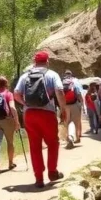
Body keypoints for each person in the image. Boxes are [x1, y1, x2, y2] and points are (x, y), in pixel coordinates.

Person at [14, 51, 68, 188]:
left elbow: (15, 94)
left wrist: (25, 103)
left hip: (30, 115)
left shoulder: (25, 76)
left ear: (34, 62)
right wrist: (63, 109)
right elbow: (60, 91)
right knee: (53, 143)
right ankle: (52, 172)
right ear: (47, 62)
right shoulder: (52, 74)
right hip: (47, 114)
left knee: (35, 146)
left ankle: (39, 178)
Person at [61, 70, 85, 147]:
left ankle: (69, 137)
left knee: (67, 122)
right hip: (74, 104)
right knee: (75, 122)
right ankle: (75, 137)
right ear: (71, 75)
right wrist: (82, 102)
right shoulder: (74, 82)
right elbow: (78, 93)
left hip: (65, 105)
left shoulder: (61, 83)